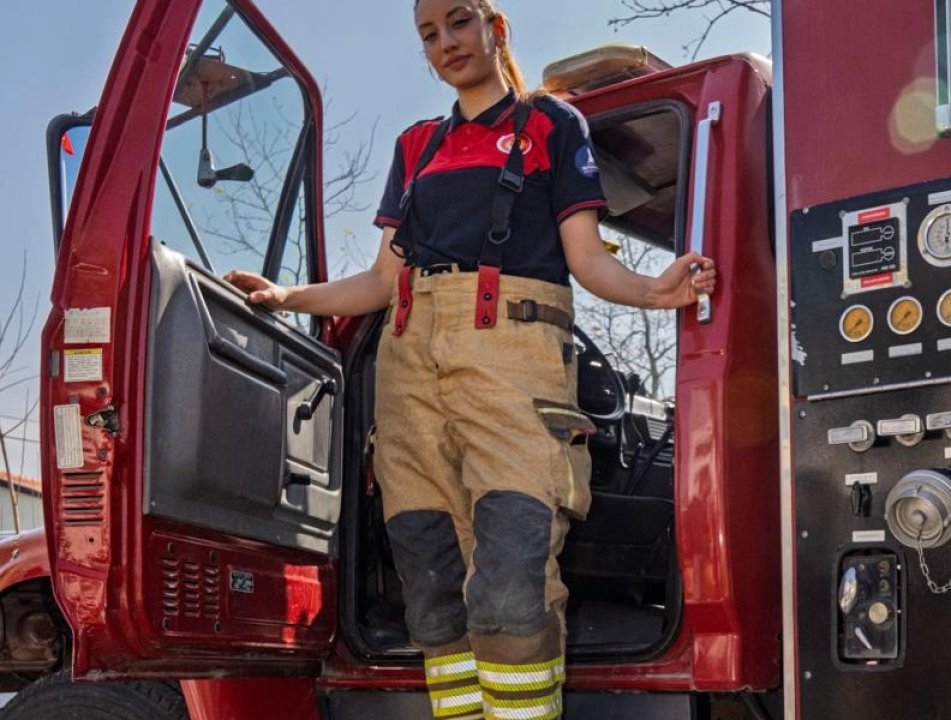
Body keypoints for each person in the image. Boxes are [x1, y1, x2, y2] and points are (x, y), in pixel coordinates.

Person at [224, 1, 716, 718]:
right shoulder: (416, 146)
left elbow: (586, 260)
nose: (446, 43)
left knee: (513, 577)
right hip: (409, 365)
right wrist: (286, 295)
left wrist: (653, 289)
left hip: (512, 359)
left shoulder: (552, 124)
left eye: (459, 22)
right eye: (429, 34)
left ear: (496, 28)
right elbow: (380, 283)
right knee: (426, 574)